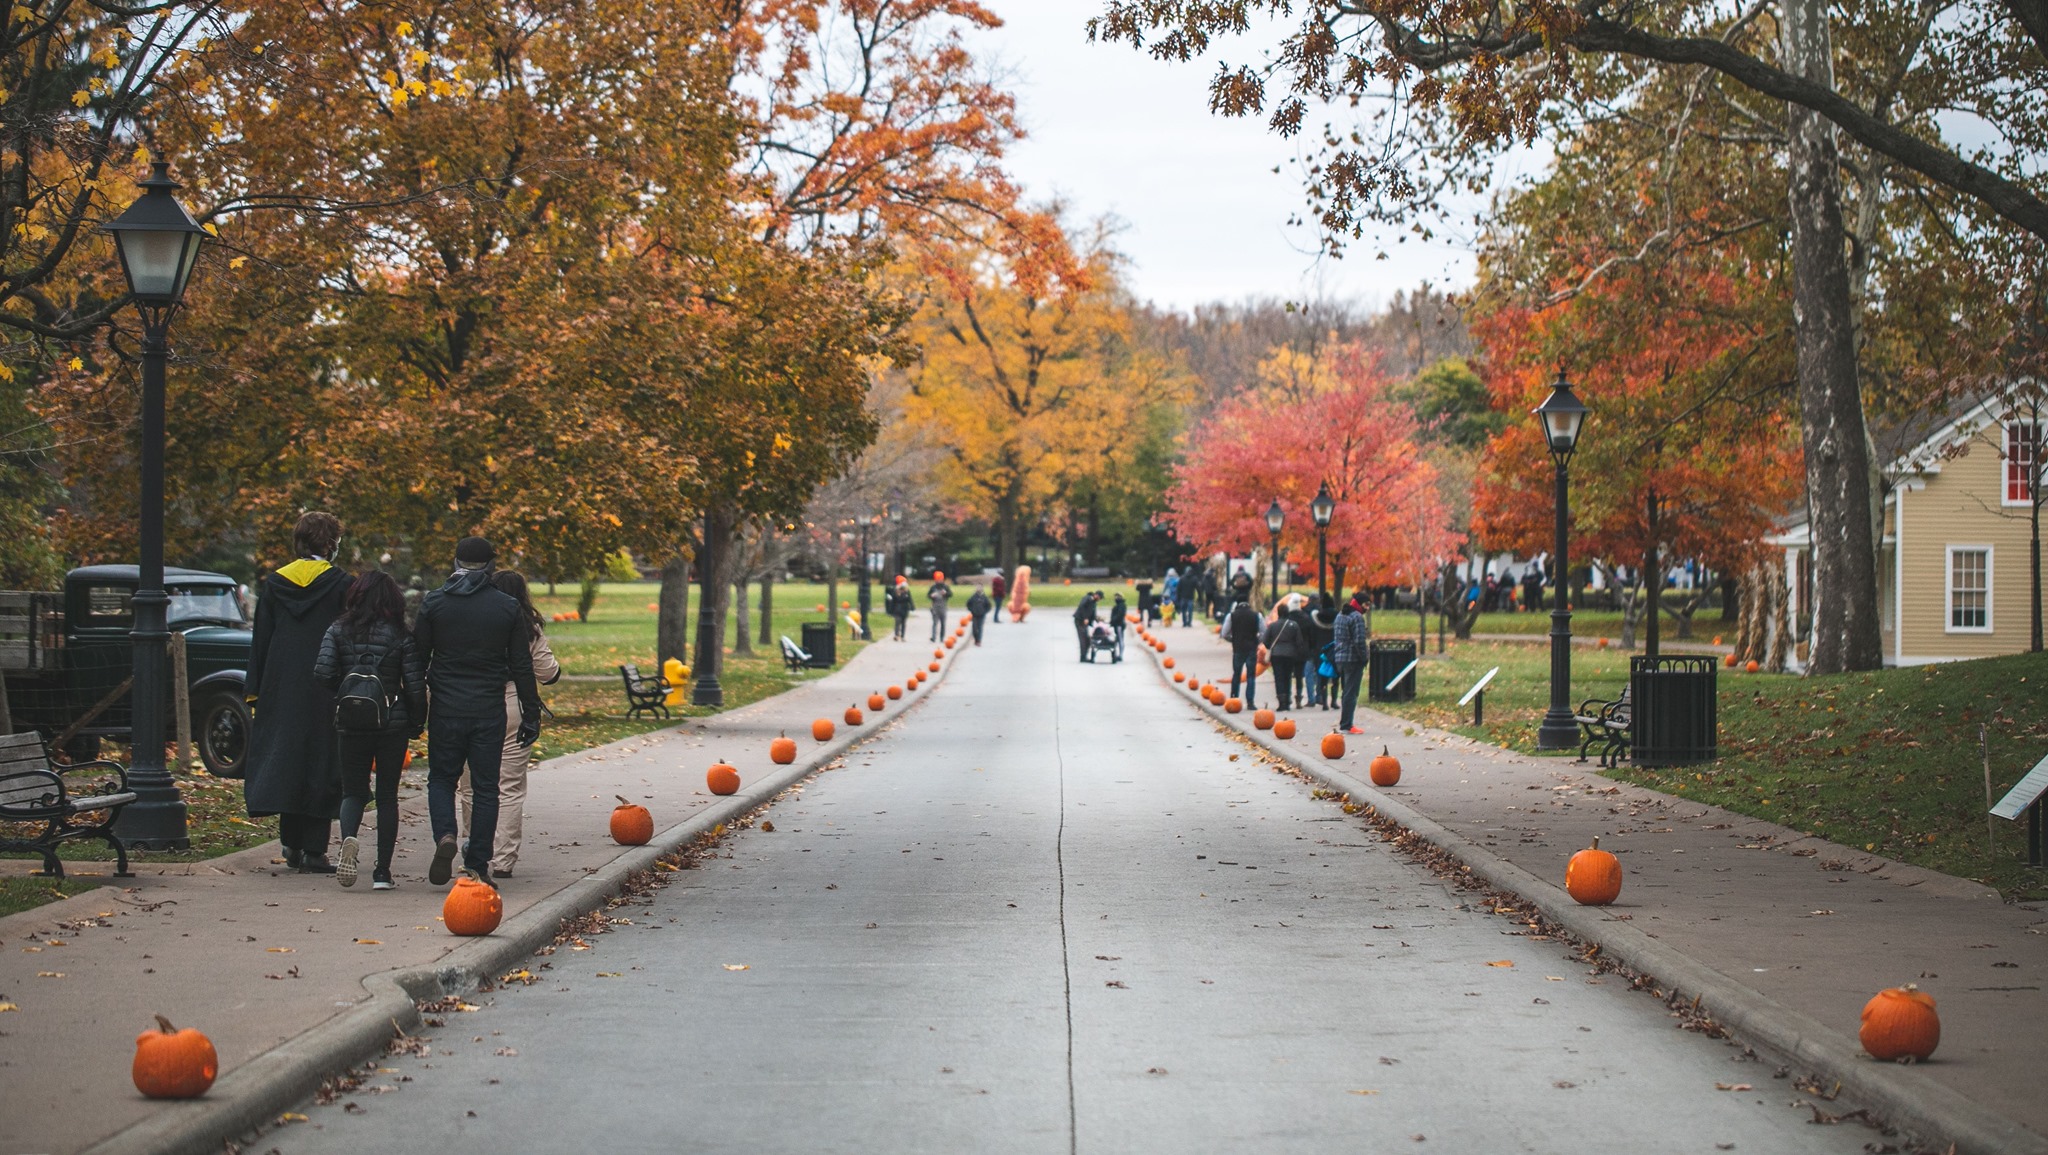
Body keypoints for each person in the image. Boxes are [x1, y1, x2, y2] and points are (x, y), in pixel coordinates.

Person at [414, 537, 541, 888]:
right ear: (490, 567)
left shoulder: (435, 603)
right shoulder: (505, 608)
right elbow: (521, 664)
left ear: (454, 561)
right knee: (486, 788)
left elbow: (417, 659)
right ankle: (477, 863)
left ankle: (445, 836)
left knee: (441, 778)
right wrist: (531, 713)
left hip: (446, 708)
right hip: (489, 709)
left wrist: (415, 708)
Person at [244, 512, 351, 874]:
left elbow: (261, 638)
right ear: (332, 544)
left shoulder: (275, 584)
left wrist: (256, 689)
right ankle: (315, 850)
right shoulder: (341, 585)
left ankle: (290, 844)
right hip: (326, 684)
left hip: (281, 684)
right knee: (321, 762)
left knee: (287, 760)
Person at [314, 570, 426, 890]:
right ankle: (382, 873)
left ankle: (349, 839)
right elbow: (415, 685)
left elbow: (321, 672)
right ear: (393, 600)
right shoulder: (401, 635)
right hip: (391, 723)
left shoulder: (337, 629)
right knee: (387, 797)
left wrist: (347, 692)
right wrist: (417, 721)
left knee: (353, 791)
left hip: (351, 722)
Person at [451, 570, 560, 880]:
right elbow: (548, 673)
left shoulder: (476, 623)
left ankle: (473, 849)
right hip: (514, 705)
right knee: (508, 786)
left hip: (476, 702)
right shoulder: (529, 628)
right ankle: (504, 859)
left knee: (470, 784)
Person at [1262, 595, 1309, 710]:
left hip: (1276, 654)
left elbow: (1265, 640)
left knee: (1279, 677)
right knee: (1287, 677)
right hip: (1290, 654)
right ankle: (1287, 700)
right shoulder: (1293, 625)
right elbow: (1299, 641)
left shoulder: (1273, 626)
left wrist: (1271, 647)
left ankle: (1281, 702)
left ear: (1278, 613)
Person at [1333, 593, 1369, 734]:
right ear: (1358, 604)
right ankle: (1347, 724)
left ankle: (1345, 721)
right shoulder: (1357, 617)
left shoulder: (1340, 616)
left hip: (1340, 658)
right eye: (1366, 605)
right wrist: (1364, 657)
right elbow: (1359, 641)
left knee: (1345, 691)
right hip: (1353, 659)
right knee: (1351, 692)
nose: (1367, 608)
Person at [1221, 597, 1261, 706]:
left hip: (1238, 648)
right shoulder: (1256, 615)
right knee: (1251, 676)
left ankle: (1234, 698)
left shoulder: (1232, 616)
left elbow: (1224, 633)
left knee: (1236, 674)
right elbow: (1263, 632)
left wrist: (1232, 639)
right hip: (1251, 648)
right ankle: (1250, 701)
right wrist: (1257, 641)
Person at [1304, 593, 1336, 708]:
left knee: (1315, 673)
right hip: (1332, 648)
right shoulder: (1336, 617)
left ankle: (1317, 699)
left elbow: (1311, 635)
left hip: (1317, 649)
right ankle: (1328, 699)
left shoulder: (1315, 617)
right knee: (1329, 675)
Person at [1072, 590, 1100, 661]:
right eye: (1100, 597)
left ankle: (1084, 655)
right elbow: (1082, 607)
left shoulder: (1093, 603)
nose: (1099, 600)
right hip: (1080, 621)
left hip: (1085, 623)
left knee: (1087, 640)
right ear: (1096, 595)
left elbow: (1092, 613)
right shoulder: (1087, 598)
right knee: (1083, 639)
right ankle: (1083, 657)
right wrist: (1085, 618)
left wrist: (1097, 619)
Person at [927, 571, 953, 641]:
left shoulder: (945, 587)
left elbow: (950, 594)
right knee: (935, 623)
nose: (938, 581)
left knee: (943, 623)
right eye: (937, 579)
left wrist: (945, 593)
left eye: (939, 579)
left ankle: (942, 637)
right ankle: (933, 637)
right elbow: (928, 595)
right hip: (935, 606)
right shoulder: (933, 587)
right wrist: (931, 596)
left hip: (943, 606)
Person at [887, 576, 912, 640]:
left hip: (904, 609)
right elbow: (893, 601)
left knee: (903, 623)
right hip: (897, 609)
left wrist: (912, 606)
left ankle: (902, 636)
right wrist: (890, 610)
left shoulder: (907, 591)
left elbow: (910, 599)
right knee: (897, 622)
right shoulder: (895, 591)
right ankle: (897, 635)